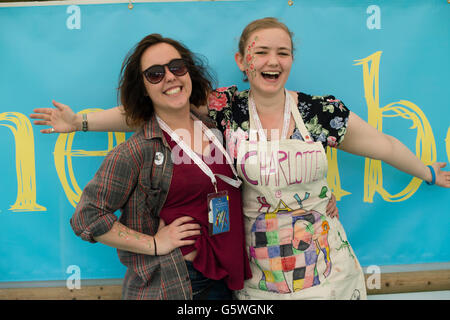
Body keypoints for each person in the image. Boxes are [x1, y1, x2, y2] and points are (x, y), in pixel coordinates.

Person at [31, 17, 449, 300]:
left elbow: (384, 145)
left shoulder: (321, 112)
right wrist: (79, 122)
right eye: (261, 51)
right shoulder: (223, 106)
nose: (272, 61)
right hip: (256, 272)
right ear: (242, 61)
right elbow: (150, 107)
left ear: (291, 60)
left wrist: (428, 171)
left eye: (282, 52)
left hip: (325, 265)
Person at [64, 33, 254, 300]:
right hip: (181, 282)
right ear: (143, 87)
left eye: (176, 67)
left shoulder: (214, 128)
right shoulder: (137, 151)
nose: (170, 77)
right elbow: (86, 217)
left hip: (227, 277)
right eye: (155, 74)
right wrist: (153, 243)